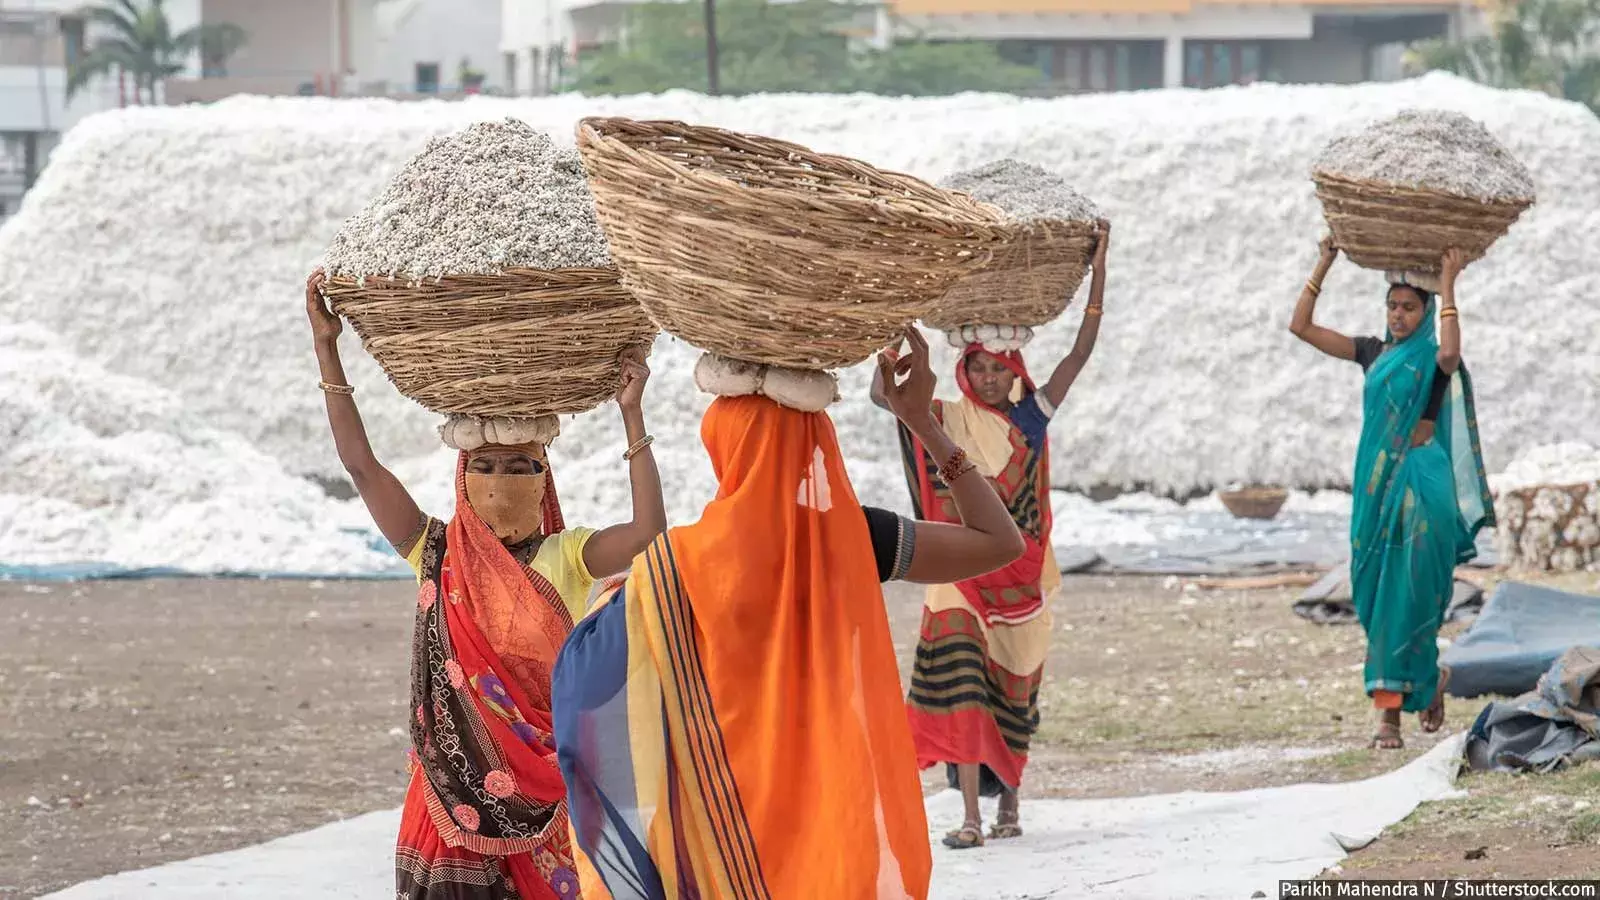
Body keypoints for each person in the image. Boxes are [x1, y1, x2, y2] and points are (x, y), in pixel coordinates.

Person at [548, 329, 1025, 900]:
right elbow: (1000, 543)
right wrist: (922, 422)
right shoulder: (852, 539)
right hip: (829, 815)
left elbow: (584, 678)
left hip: (721, 828)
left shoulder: (676, 565)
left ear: (723, 448)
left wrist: (615, 599)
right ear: (815, 442)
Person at [305, 269, 668, 900]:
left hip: (547, 784)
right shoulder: (436, 550)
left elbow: (647, 527)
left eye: (521, 466)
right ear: (463, 473)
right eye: (488, 465)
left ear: (544, 476)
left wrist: (631, 415)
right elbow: (362, 468)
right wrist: (327, 347)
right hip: (452, 784)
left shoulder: (569, 553)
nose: (503, 480)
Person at [876, 221, 1109, 850]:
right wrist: (893, 324)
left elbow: (1080, 353)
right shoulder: (944, 417)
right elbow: (889, 398)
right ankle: (971, 819)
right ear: (963, 371)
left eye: (997, 369)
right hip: (957, 570)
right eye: (975, 368)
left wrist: (1099, 268)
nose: (987, 379)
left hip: (1021, 576)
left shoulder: (1032, 417)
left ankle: (1009, 806)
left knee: (1015, 691)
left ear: (1013, 372)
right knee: (965, 681)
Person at [1288, 239, 1493, 750]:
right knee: (1376, 595)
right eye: (1392, 307)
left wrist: (1448, 283)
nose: (1398, 315)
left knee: (1415, 592)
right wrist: (1324, 262)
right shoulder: (1372, 353)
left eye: (1408, 308)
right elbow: (1301, 328)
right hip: (1375, 489)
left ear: (1424, 314)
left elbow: (1450, 351)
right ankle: (1430, 683)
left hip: (1423, 485)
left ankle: (1390, 718)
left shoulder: (1433, 357)